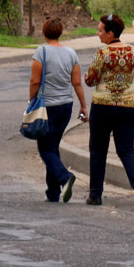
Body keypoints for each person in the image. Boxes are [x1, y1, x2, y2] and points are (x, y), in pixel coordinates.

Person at [84, 13, 134, 206]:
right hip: (128, 106)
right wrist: (125, 89)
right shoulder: (133, 52)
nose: (98, 33)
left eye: (100, 30)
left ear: (110, 34)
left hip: (103, 106)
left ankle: (95, 194)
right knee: (127, 149)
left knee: (98, 150)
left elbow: (89, 79)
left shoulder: (103, 53)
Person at [28, 18, 86, 202]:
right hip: (65, 106)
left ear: (44, 32)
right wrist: (83, 105)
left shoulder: (41, 52)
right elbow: (76, 82)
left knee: (45, 149)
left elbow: (35, 80)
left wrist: (31, 101)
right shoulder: (71, 53)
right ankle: (52, 192)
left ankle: (65, 177)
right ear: (60, 32)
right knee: (53, 146)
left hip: (47, 106)